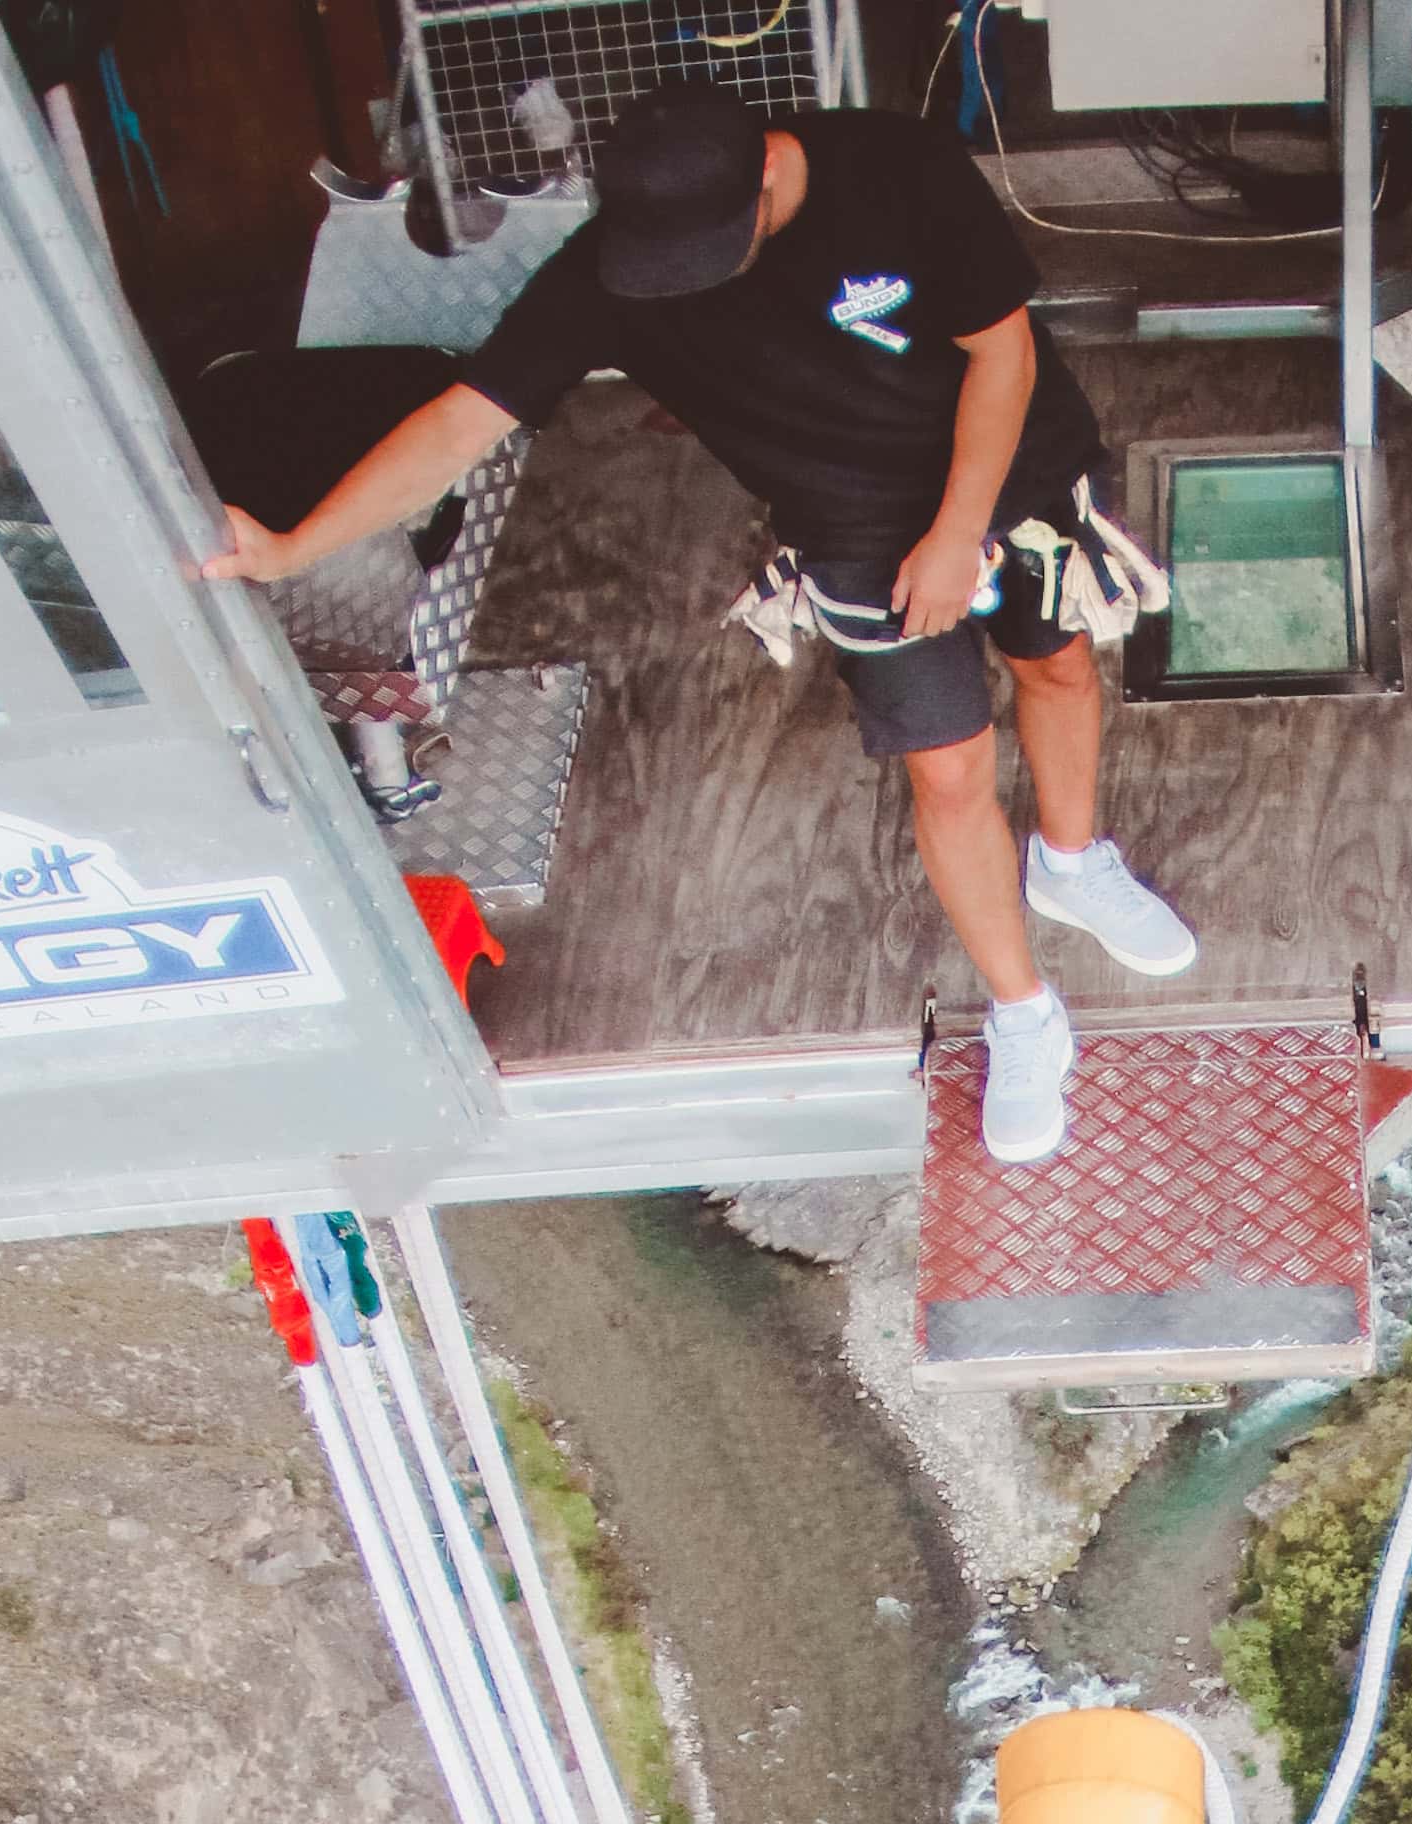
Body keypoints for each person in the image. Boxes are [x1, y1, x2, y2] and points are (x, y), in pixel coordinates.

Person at [199, 84, 1195, 1166]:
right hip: (850, 523)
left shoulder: (896, 169)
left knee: (1055, 673)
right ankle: (1023, 1013)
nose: (687, 281)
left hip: (1009, 467)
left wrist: (958, 533)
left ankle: (1070, 859)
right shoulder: (614, 264)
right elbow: (460, 422)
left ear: (766, 170)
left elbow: (1000, 354)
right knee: (946, 768)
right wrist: (296, 546)